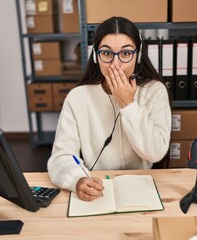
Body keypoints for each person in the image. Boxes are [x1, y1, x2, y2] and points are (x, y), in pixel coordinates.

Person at [47, 16, 171, 201]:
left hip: (140, 187)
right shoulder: (77, 97)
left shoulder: (155, 91)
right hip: (98, 187)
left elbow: (156, 152)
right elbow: (61, 157)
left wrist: (128, 104)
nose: (116, 64)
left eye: (126, 53)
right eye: (106, 54)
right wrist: (77, 180)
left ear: (138, 55)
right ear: (96, 57)